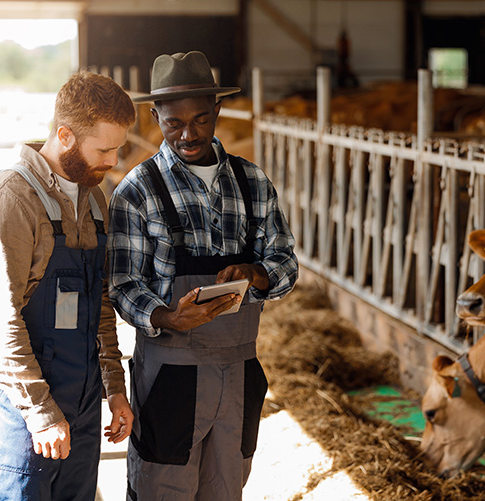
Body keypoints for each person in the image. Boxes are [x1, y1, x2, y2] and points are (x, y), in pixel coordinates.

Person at [108, 51, 298, 500]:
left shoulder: (253, 182)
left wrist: (258, 274)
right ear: (155, 116)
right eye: (173, 123)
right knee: (161, 487)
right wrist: (163, 317)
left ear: (217, 111)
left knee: (227, 488)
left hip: (240, 370)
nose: (188, 134)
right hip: (169, 373)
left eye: (200, 120)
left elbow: (286, 263)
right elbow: (122, 284)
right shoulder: (137, 190)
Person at [0, 71, 136, 500]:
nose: (113, 162)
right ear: (65, 135)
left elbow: (101, 304)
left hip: (83, 396)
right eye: (104, 149)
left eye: (117, 149)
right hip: (23, 407)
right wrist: (40, 412)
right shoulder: (9, 202)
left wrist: (114, 387)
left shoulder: (93, 199)